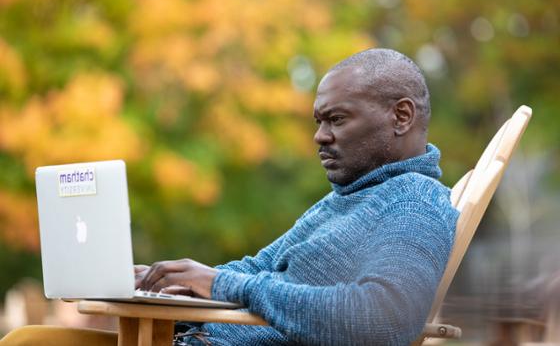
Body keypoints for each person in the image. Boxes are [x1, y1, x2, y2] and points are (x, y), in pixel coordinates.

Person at [0, 48, 458, 346]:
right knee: (29, 340)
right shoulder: (344, 201)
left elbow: (384, 320)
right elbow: (255, 269)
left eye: (336, 120)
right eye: (318, 122)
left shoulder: (414, 204)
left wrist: (220, 286)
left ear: (401, 116)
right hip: (197, 339)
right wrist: (171, 283)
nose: (320, 137)